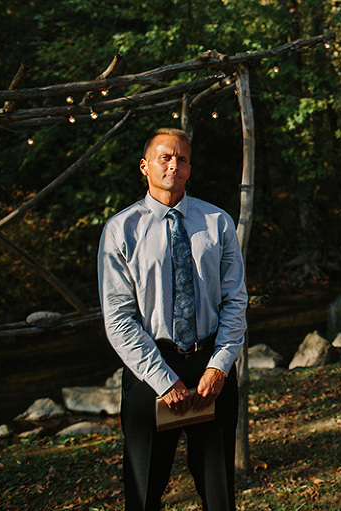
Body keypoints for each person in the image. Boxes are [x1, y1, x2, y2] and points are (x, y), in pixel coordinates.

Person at [98, 127, 248, 511]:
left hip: (210, 368)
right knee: (144, 489)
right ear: (144, 166)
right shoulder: (121, 229)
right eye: (165, 157)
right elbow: (118, 318)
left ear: (189, 168)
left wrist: (219, 365)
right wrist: (164, 380)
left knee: (219, 491)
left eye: (181, 159)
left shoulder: (217, 222)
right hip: (150, 368)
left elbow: (235, 300)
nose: (173, 166)